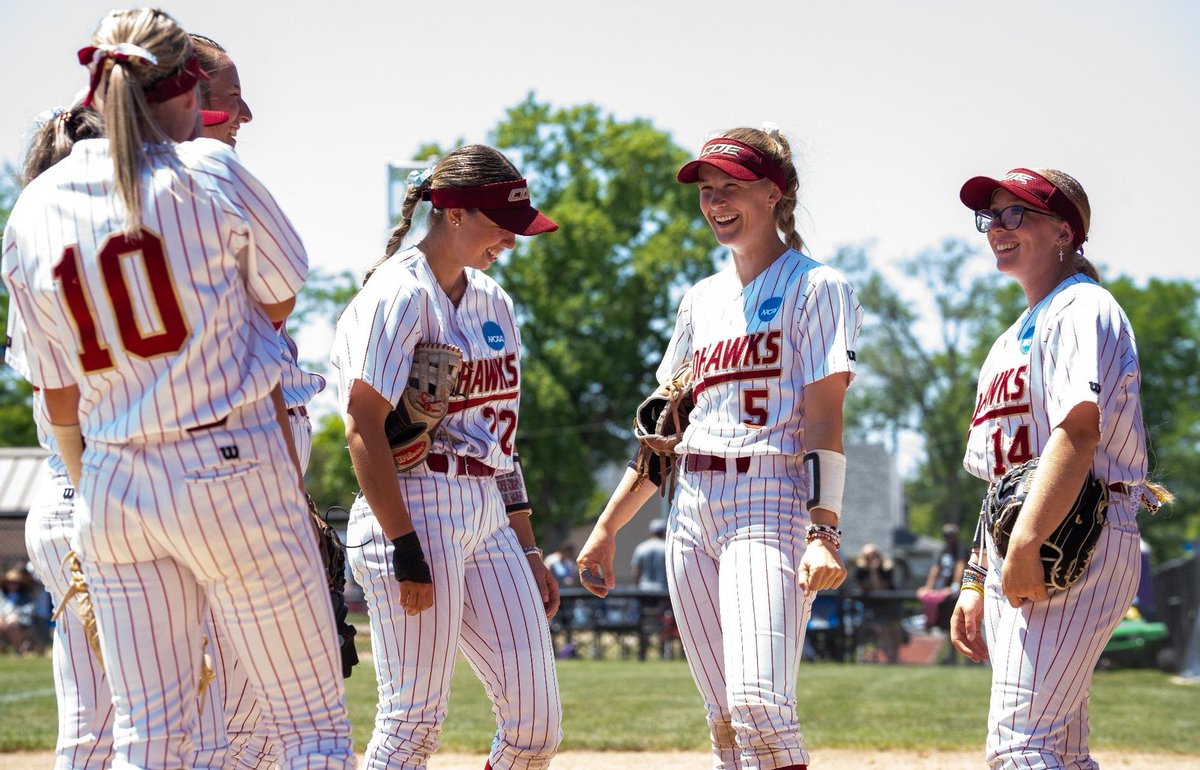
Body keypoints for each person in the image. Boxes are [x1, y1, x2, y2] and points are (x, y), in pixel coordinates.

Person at [1, 9, 352, 768]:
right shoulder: (208, 171)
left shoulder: (33, 206)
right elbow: (283, 294)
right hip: (230, 466)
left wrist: (91, 477)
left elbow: (55, 392)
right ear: (189, 88)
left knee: (146, 738)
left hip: (113, 481)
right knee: (312, 732)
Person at [578, 125, 862, 770]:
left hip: (770, 494)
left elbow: (824, 420)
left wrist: (825, 530)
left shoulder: (817, 288)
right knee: (726, 720)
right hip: (691, 504)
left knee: (761, 701)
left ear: (774, 192)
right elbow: (664, 433)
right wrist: (607, 528)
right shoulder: (700, 301)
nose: (715, 202)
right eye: (707, 190)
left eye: (731, 187)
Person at [332, 144, 563, 770]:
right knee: (413, 723)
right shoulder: (398, 294)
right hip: (414, 504)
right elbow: (362, 428)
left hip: (486, 509)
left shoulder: (494, 302)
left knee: (537, 727)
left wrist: (529, 545)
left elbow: (502, 439)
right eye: (500, 225)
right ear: (455, 213)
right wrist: (403, 543)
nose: (511, 241)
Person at [950, 167, 1162, 768]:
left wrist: (1026, 541)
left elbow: (1079, 431)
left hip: (1075, 534)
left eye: (1017, 214)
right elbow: (1002, 477)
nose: (998, 228)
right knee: (1060, 752)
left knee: (1021, 749)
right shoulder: (1010, 338)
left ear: (1065, 232)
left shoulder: (1083, 307)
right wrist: (974, 576)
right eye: (991, 216)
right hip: (1031, 538)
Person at [852, 543, 904, 663]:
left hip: (890, 604)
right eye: (869, 556)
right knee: (883, 631)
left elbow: (881, 588)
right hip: (874, 607)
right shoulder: (861, 571)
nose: (872, 558)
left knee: (895, 631)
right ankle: (890, 658)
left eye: (875, 555)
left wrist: (875, 571)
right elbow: (870, 588)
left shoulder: (887, 569)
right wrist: (872, 571)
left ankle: (895, 658)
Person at [916, 523, 965, 641]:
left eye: (951, 535)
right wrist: (928, 587)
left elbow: (960, 566)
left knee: (956, 623)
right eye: (946, 535)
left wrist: (955, 586)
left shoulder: (960, 549)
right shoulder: (944, 549)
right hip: (943, 589)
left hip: (957, 590)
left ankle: (957, 656)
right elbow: (936, 568)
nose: (949, 538)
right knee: (945, 623)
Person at [631, 518, 668, 591]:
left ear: (651, 531)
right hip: (663, 590)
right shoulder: (666, 548)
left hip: (644, 589)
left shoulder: (642, 547)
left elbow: (635, 571)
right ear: (663, 532)